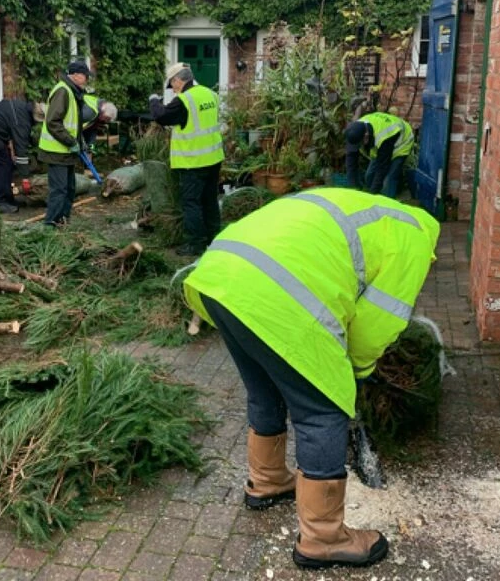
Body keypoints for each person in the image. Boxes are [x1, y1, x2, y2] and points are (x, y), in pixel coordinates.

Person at [183, 187, 439, 570]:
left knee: (265, 388)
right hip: (273, 294)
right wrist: (356, 375)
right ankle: (323, 537)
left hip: (220, 273)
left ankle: (267, 480)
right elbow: (375, 325)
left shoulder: (368, 209)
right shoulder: (415, 242)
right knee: (323, 411)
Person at [149, 62, 224, 256]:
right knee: (210, 200)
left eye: (172, 84)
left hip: (193, 161)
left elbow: (162, 117)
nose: (172, 89)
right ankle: (215, 237)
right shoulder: (210, 94)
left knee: (191, 203)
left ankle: (196, 244)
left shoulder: (184, 100)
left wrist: (154, 101)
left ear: (178, 80)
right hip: (213, 158)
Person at [38, 59, 92, 227]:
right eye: (85, 76)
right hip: (56, 151)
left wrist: (79, 140)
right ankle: (50, 225)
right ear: (75, 76)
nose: (87, 80)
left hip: (66, 151)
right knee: (59, 190)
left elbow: (72, 121)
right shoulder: (63, 91)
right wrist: (71, 141)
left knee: (69, 189)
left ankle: (63, 222)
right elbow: (53, 122)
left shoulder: (72, 91)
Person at [344, 111, 414, 198]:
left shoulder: (383, 136)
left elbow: (382, 167)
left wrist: (373, 197)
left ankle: (389, 202)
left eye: (360, 144)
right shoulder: (354, 132)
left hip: (402, 143)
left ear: (366, 136)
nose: (358, 147)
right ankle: (394, 187)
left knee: (388, 181)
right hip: (380, 147)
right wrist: (354, 188)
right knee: (369, 177)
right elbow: (351, 162)